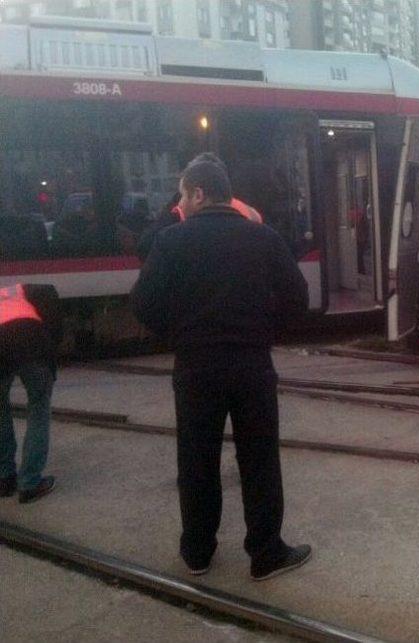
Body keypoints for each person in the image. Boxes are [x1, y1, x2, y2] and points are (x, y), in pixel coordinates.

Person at [130, 159, 311, 580]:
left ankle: (197, 552)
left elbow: (142, 304)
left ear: (198, 193)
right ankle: (266, 554)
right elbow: (297, 299)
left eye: (182, 194)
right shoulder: (262, 238)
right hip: (251, 364)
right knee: (260, 460)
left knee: (196, 460)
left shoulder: (171, 242)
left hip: (195, 368)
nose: (180, 204)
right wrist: (265, 330)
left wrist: (177, 332)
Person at [0, 283, 62, 503]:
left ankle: (5, 479)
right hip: (32, 345)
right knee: (38, 410)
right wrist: (52, 357)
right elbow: (54, 326)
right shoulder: (39, 291)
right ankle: (30, 484)